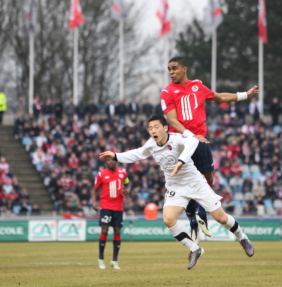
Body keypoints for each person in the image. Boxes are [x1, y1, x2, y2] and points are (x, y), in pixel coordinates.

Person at [99, 115, 254, 269]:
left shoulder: (176, 138)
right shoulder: (151, 144)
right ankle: (195, 249)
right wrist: (115, 155)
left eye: (156, 126)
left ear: (165, 128)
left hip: (195, 183)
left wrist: (181, 162)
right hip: (175, 187)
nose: (153, 130)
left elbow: (193, 141)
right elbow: (137, 153)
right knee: (168, 219)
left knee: (221, 218)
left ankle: (243, 238)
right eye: (150, 127)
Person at [160, 56, 259, 243]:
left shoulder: (197, 86)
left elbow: (220, 97)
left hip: (201, 141)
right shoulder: (167, 92)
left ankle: (202, 213)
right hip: (181, 143)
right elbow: (172, 120)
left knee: (208, 178)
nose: (171, 72)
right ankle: (193, 221)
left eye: (174, 68)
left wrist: (245, 95)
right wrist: (190, 135)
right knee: (187, 182)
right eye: (169, 69)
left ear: (184, 69)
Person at [91, 158, 130, 270]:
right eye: (108, 160)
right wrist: (94, 203)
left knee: (117, 230)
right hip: (106, 206)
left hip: (118, 207)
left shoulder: (123, 172)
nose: (111, 162)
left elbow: (128, 184)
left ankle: (115, 260)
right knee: (105, 230)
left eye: (113, 160)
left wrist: (128, 190)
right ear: (105, 163)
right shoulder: (100, 175)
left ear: (116, 162)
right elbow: (95, 190)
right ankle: (101, 259)